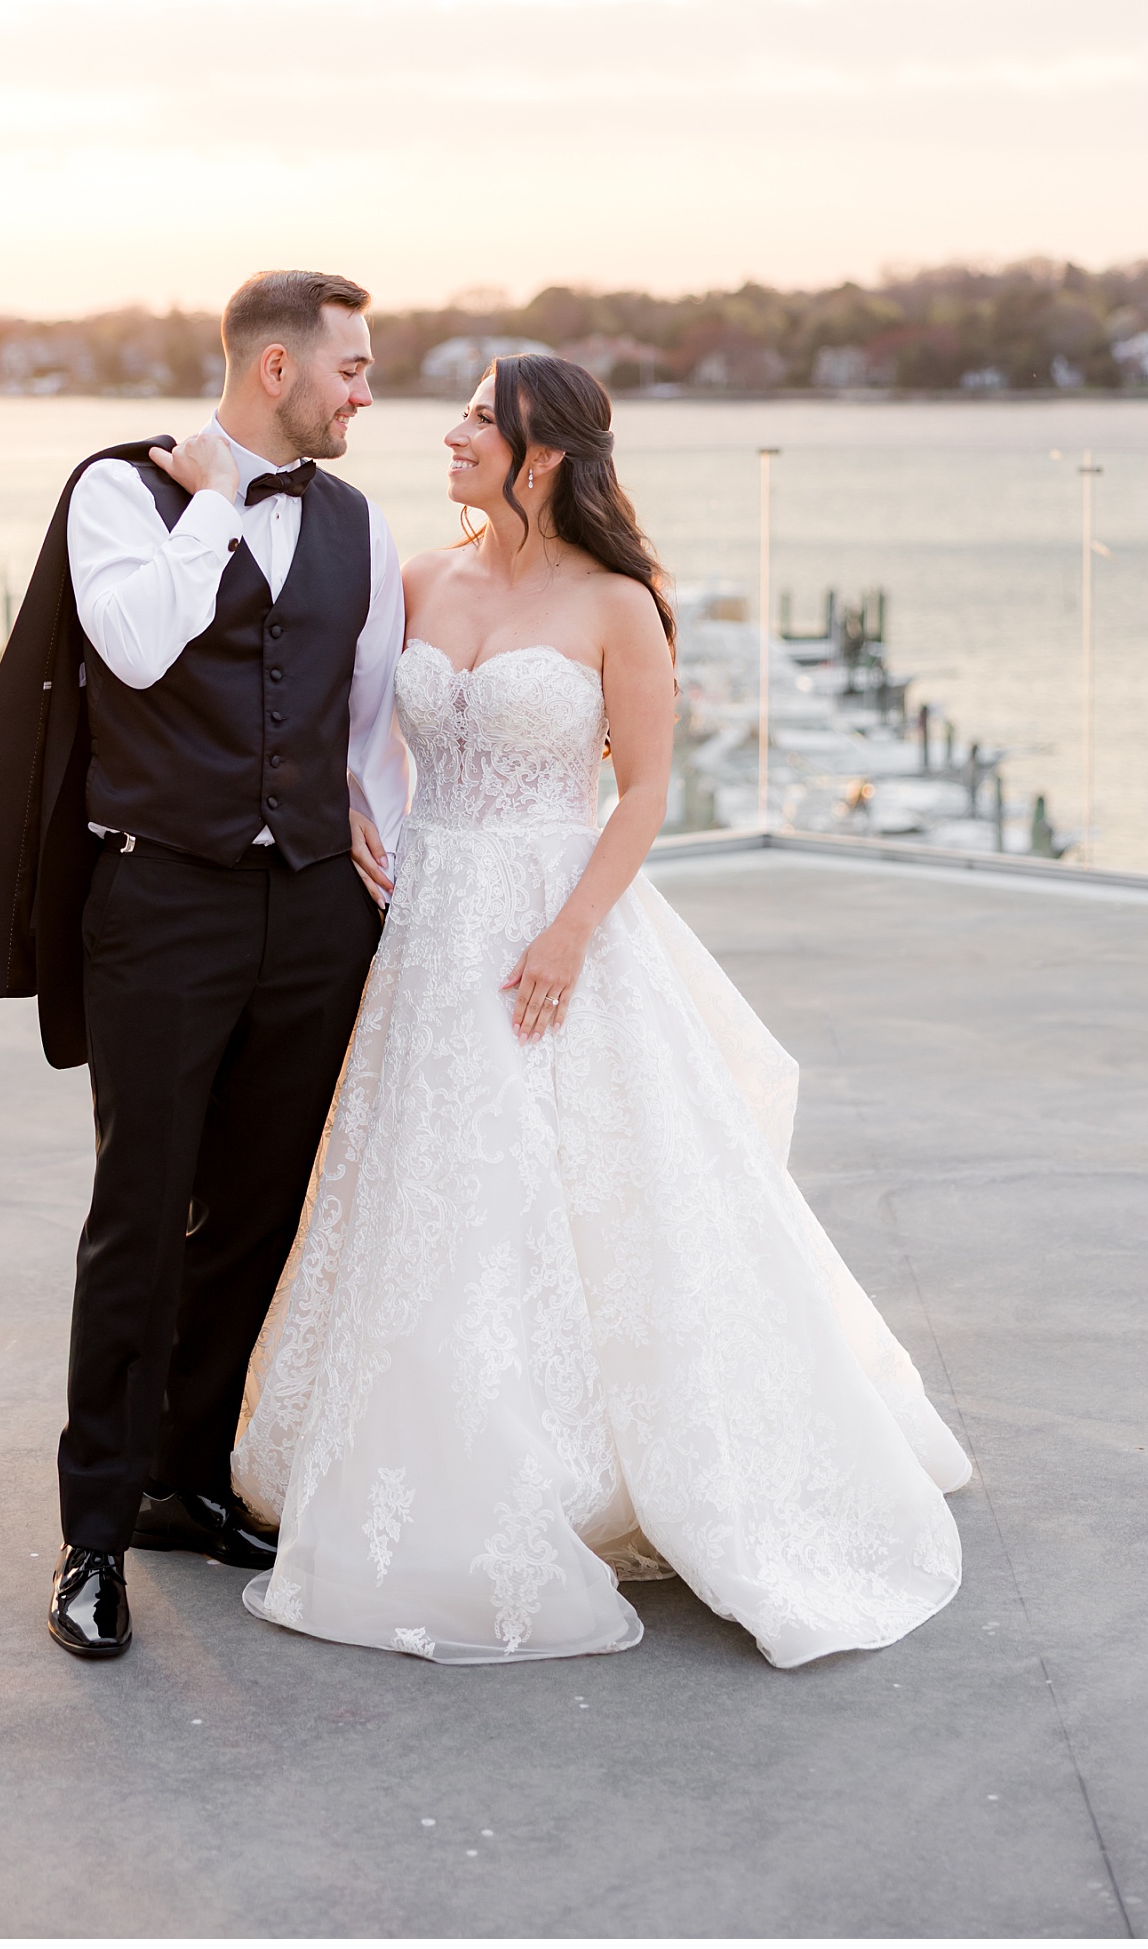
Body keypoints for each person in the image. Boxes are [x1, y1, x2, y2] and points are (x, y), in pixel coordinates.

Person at [233, 354, 970, 1669]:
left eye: (479, 418)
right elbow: (356, 730)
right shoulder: (417, 579)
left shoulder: (619, 603)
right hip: (430, 926)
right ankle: (421, 1447)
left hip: (556, 918)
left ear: (545, 453)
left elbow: (644, 793)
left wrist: (570, 931)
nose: (452, 433)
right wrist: (352, 799)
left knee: (585, 1187)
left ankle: (602, 1467)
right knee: (433, 1183)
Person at [0, 270, 408, 1660]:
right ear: (277, 368)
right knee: (141, 1218)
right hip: (161, 907)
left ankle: (183, 1476)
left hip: (312, 912)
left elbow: (366, 717)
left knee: (260, 1213)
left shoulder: (359, 523)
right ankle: (94, 1533)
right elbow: (140, 649)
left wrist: (369, 845)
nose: (366, 391)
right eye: (351, 367)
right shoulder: (117, 492)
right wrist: (212, 503)